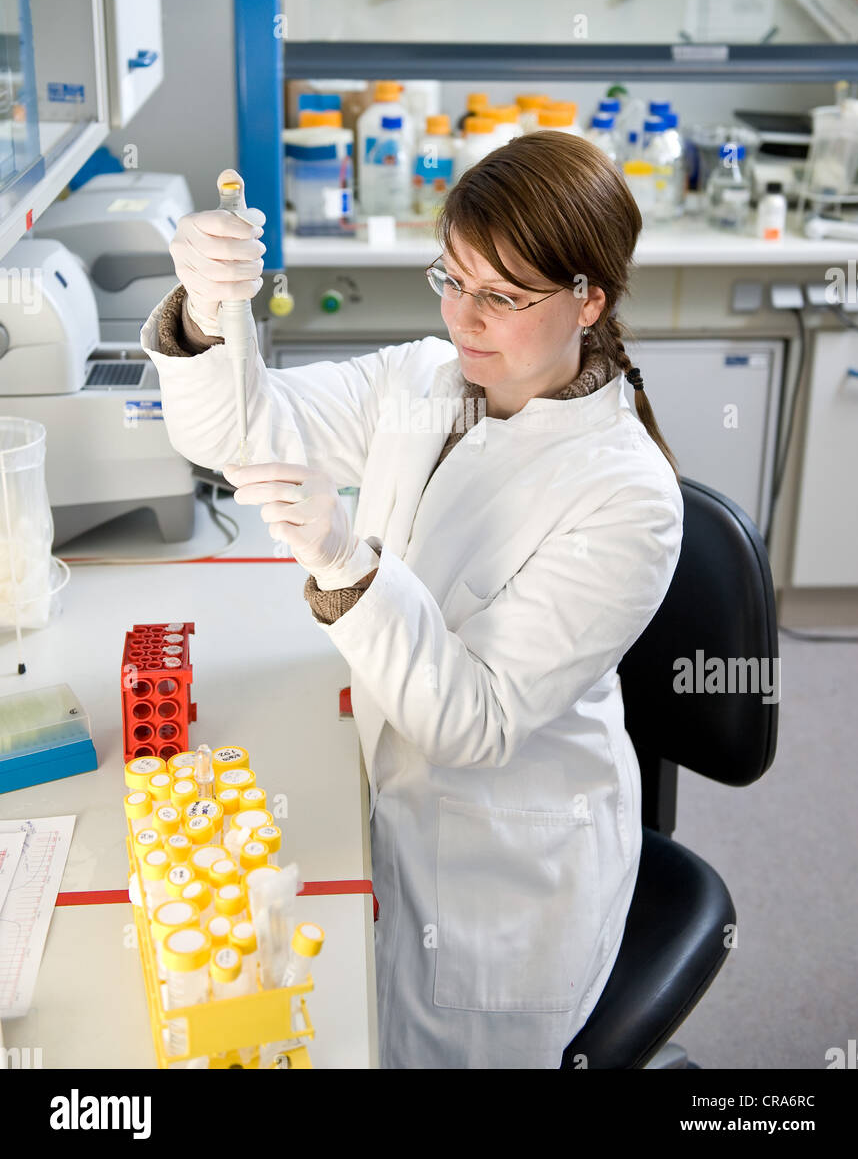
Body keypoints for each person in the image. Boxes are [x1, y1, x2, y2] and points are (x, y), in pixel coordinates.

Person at [140, 128, 684, 1069]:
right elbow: (241, 431)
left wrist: (346, 563)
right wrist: (204, 307)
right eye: (452, 279)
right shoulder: (418, 381)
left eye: (501, 296)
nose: (464, 318)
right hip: (386, 799)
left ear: (588, 298)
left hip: (500, 875)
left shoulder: (627, 496)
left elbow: (469, 721)